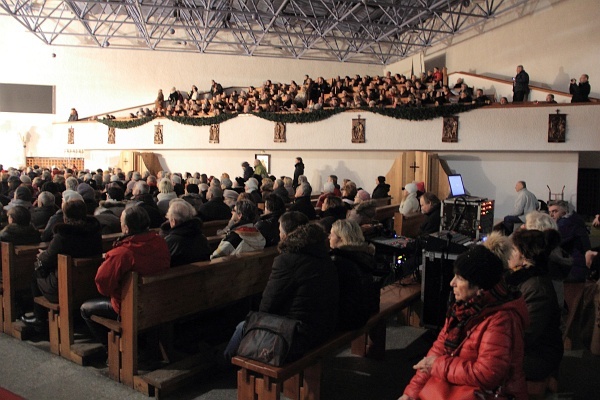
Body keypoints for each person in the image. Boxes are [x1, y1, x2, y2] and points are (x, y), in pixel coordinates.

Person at [399, 245, 528, 400]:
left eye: (460, 278)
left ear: (479, 287)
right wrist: (410, 394)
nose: (451, 283)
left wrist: (437, 365)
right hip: (457, 388)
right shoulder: (462, 309)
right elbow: (436, 352)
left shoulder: (501, 319)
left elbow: (487, 375)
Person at [224, 211, 339, 363]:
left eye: (280, 231)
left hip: (299, 333)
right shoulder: (321, 252)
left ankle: (225, 364)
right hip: (324, 325)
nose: (279, 234)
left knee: (243, 326)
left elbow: (267, 306)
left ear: (286, 234)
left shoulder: (286, 260)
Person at [80, 206, 170, 345]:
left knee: (85, 309)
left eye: (122, 223)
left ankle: (111, 348)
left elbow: (103, 286)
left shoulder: (123, 253)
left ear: (126, 228)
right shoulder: (160, 242)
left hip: (129, 306)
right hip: (157, 300)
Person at [22, 199, 103, 329]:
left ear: (65, 216)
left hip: (64, 286)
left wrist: (40, 256)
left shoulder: (63, 236)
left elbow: (46, 261)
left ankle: (39, 318)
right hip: (89, 284)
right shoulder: (94, 232)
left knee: (36, 272)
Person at [506, 229, 563, 384]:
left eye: (513, 250)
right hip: (531, 348)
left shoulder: (536, 288)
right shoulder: (524, 280)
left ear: (524, 256)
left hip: (539, 355)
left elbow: (526, 334)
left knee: (486, 363)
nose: (508, 253)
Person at [329, 219, 379, 330]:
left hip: (349, 316)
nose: (329, 238)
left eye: (331, 235)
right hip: (366, 307)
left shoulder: (339, 260)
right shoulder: (363, 254)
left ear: (341, 239)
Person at [548, 200, 591, 283]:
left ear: (564, 212)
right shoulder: (574, 219)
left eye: (555, 211)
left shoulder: (565, 224)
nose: (551, 215)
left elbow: (550, 243)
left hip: (575, 268)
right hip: (579, 265)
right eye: (550, 212)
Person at [159, 199, 210, 266]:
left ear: (174, 221)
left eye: (169, 219)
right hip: (204, 274)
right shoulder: (202, 237)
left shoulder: (169, 241)